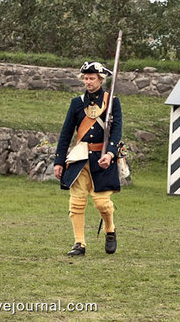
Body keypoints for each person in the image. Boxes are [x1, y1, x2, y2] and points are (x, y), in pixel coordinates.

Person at [53, 61, 123, 256]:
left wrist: (110, 154)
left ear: (100, 80)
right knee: (76, 202)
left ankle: (110, 229)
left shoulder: (111, 102)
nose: (88, 81)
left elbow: (117, 131)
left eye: (92, 78)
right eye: (86, 78)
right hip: (80, 158)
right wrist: (59, 161)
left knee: (102, 203)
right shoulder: (77, 103)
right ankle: (79, 243)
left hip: (102, 158)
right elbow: (66, 133)